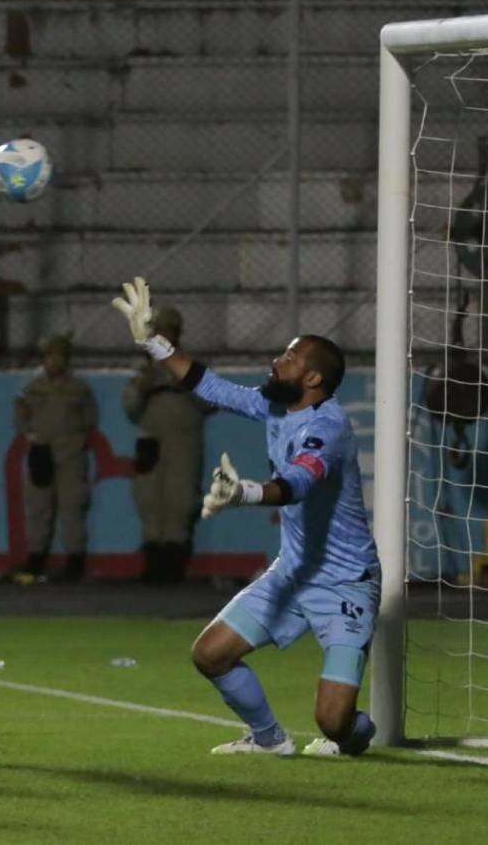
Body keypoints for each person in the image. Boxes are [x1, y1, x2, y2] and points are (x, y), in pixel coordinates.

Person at [112, 277, 380, 757]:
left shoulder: (328, 427)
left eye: (290, 357)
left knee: (334, 722)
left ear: (313, 378)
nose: (277, 361)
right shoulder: (275, 406)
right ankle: (270, 739)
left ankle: (357, 733)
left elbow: (300, 482)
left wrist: (245, 493)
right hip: (294, 572)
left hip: (345, 582)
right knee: (210, 654)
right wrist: (152, 340)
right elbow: (210, 386)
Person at [121, 306, 212, 583]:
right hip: (151, 440)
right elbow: (130, 409)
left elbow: (211, 401)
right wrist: (144, 386)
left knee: (181, 501)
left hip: (183, 442)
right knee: (148, 500)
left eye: (168, 332)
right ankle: (152, 564)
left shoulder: (191, 365)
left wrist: (184, 380)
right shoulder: (143, 369)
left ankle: (174, 567)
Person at [13, 334, 98, 583]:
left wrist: (78, 439)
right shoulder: (31, 388)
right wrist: (31, 436)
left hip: (71, 454)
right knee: (38, 508)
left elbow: (89, 418)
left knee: (72, 507)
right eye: (50, 356)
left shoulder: (79, 389)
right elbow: (20, 416)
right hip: (42, 452)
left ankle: (74, 560)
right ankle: (36, 558)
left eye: (60, 356)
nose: (55, 361)